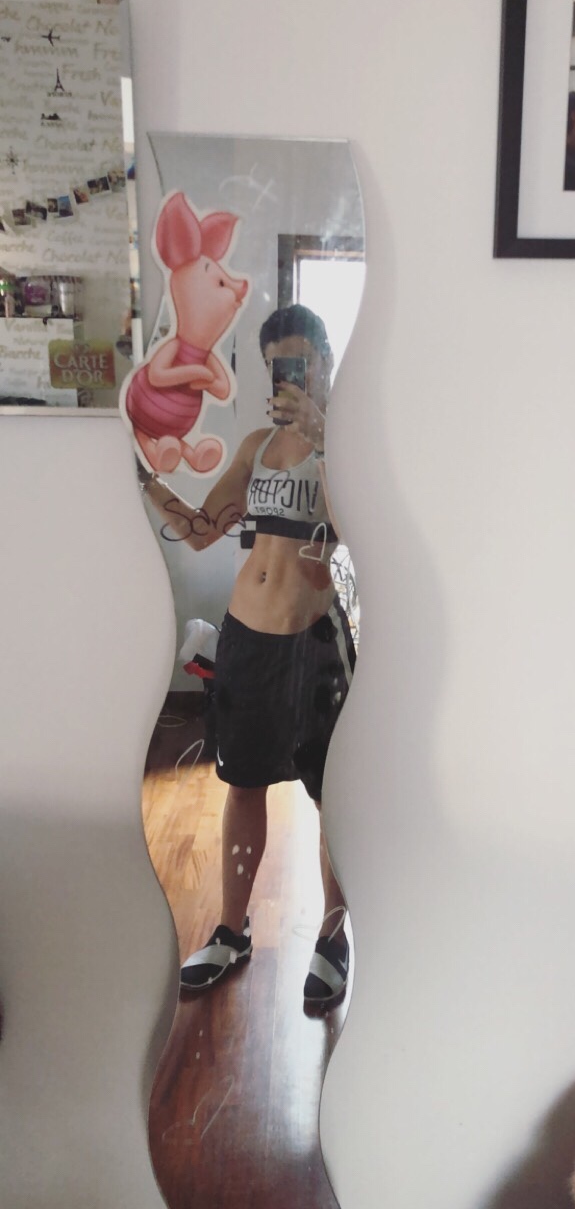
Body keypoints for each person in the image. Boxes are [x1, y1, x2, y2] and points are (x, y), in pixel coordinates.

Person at [141, 303, 355, 1007]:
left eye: (300, 362)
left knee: (331, 795)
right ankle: (231, 930)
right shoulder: (258, 444)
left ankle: (332, 936)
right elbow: (204, 529)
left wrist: (324, 437)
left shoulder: (352, 445)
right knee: (242, 783)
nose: (288, 376)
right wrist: (145, 481)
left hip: (313, 640)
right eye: (276, 367)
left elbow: (357, 529)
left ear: (325, 360)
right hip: (247, 638)